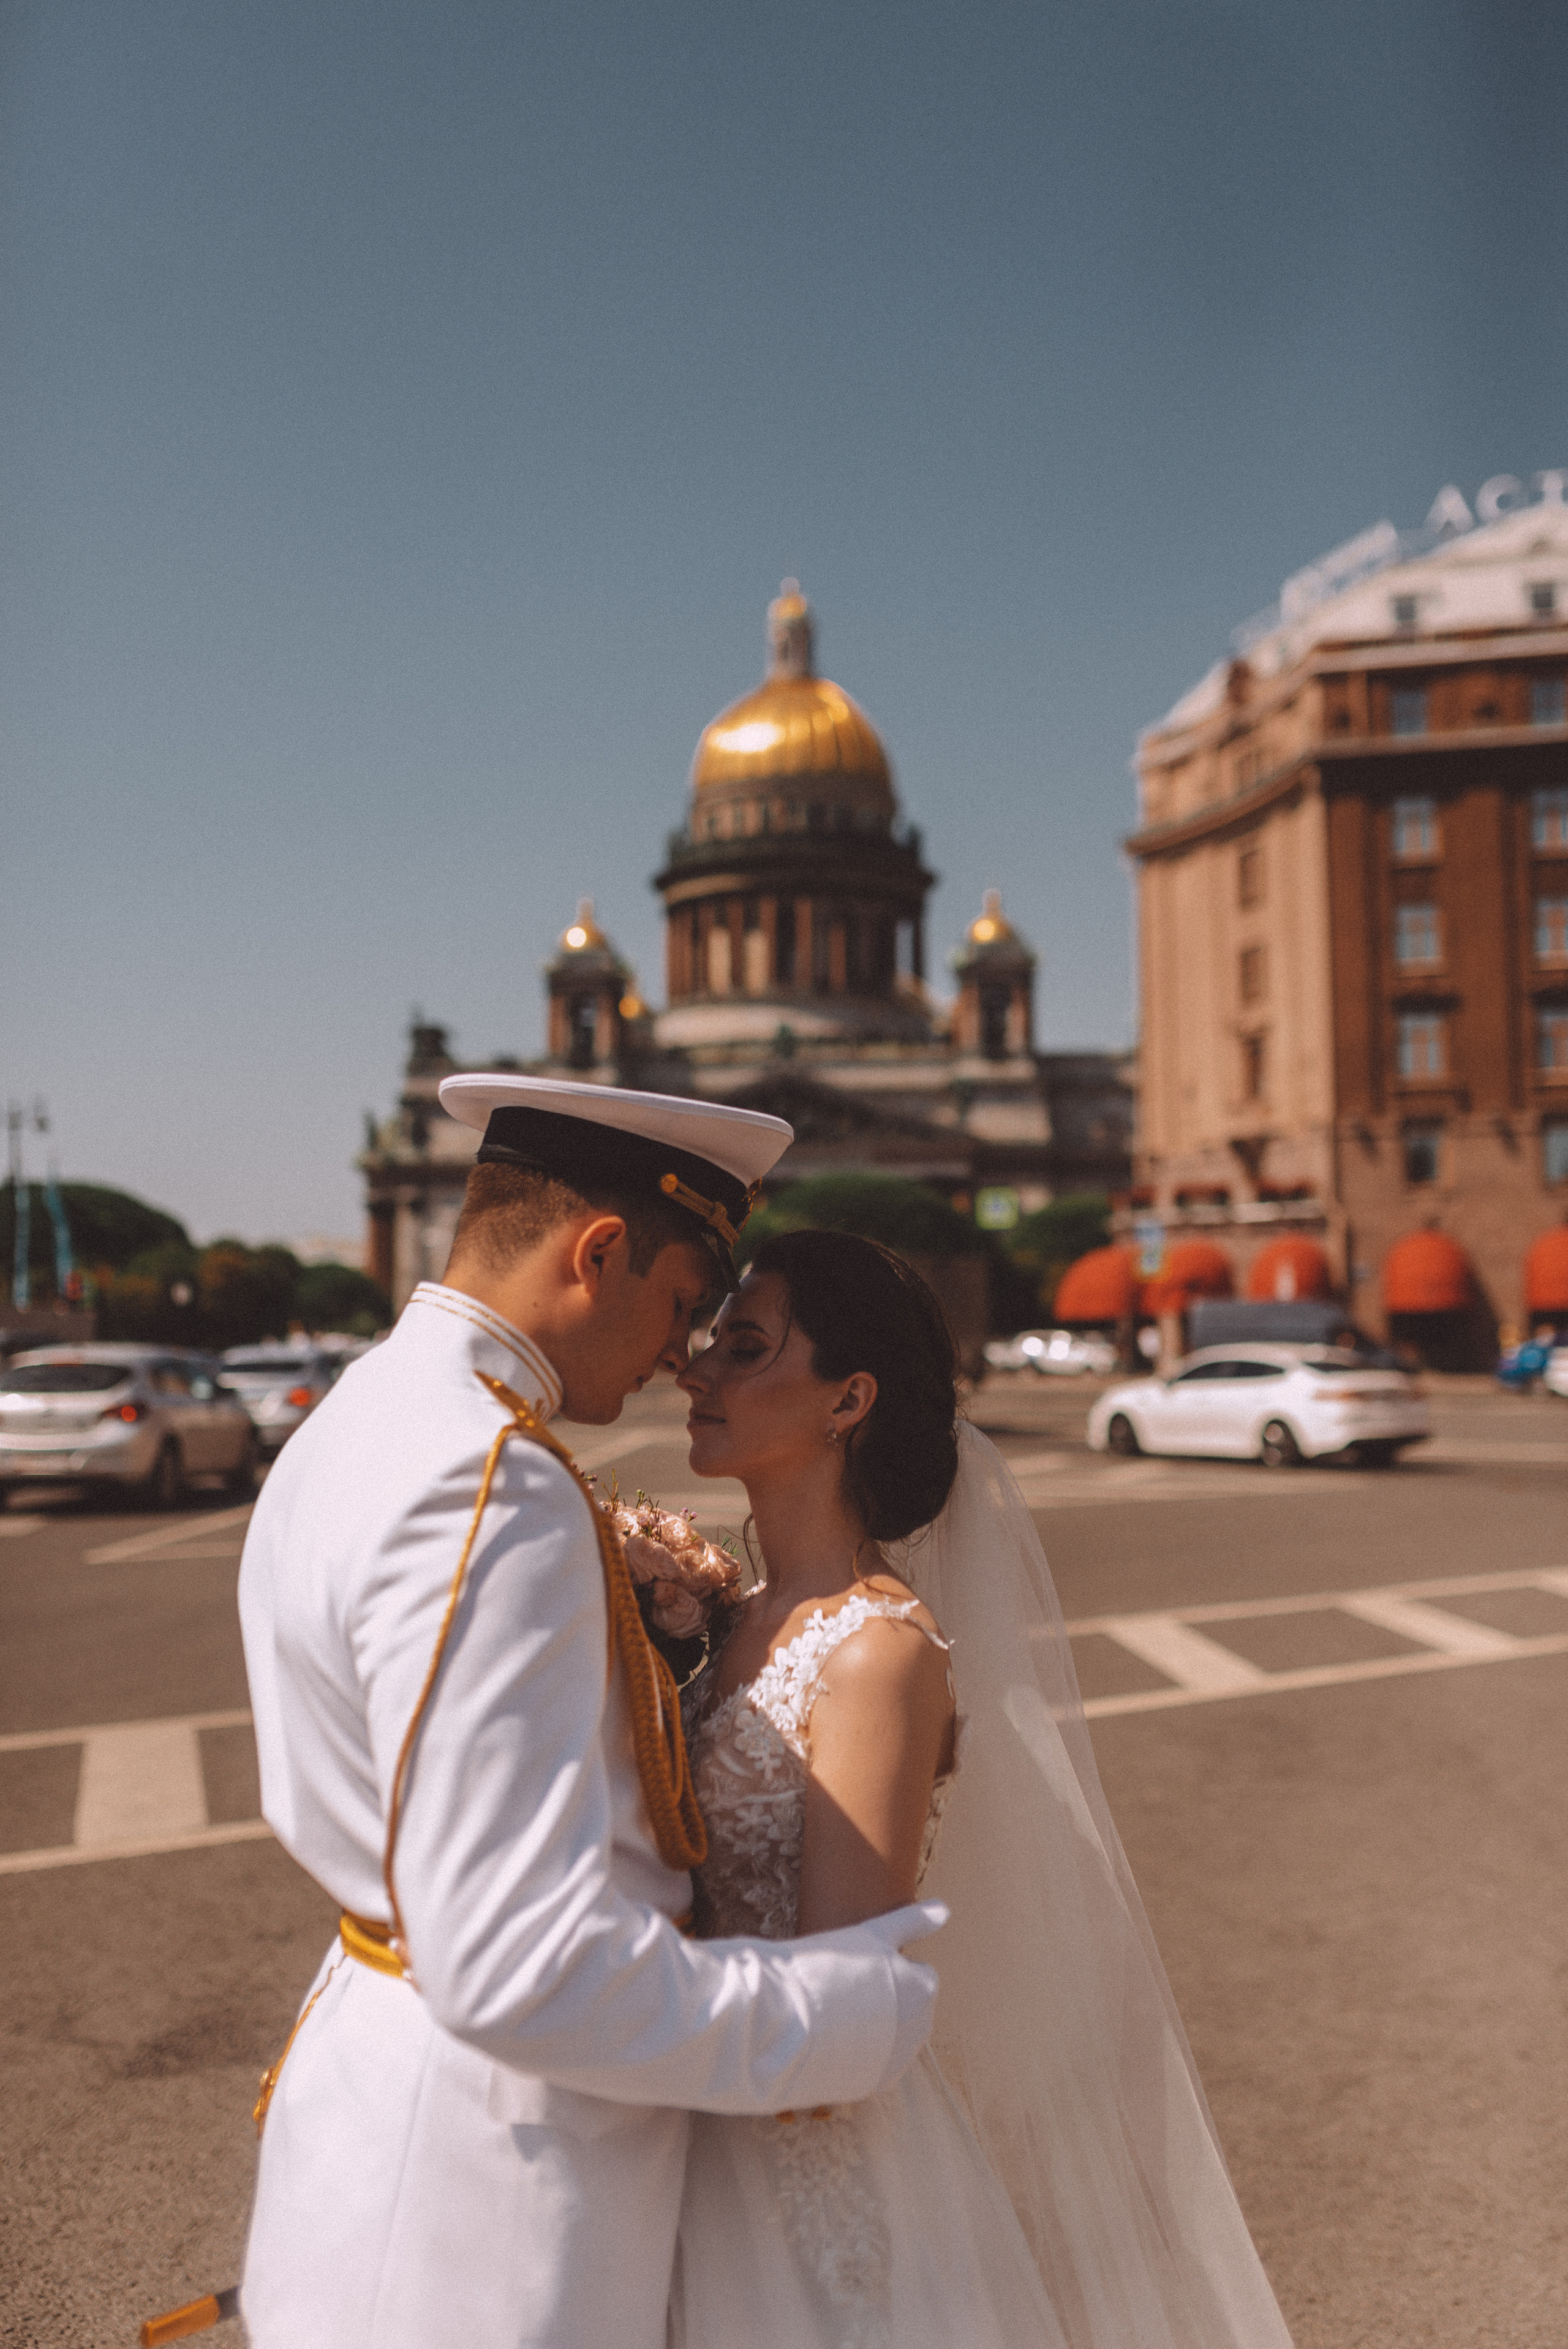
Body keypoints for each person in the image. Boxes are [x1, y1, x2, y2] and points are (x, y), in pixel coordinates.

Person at [237, 1076, 943, 2349]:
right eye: (683, 1307)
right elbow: (520, 1968)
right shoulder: (487, 1483)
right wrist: (845, 2017)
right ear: (598, 1252)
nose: (682, 1357)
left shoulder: (369, 1417)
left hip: (399, 2114)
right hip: (486, 2201)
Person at [670, 1230, 1295, 2349]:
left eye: (747, 1346)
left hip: (796, 2161)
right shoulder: (730, 1615)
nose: (698, 1367)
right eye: (712, 1339)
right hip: (691, 2129)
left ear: (846, 1399)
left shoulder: (876, 1653)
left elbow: (839, 1990)